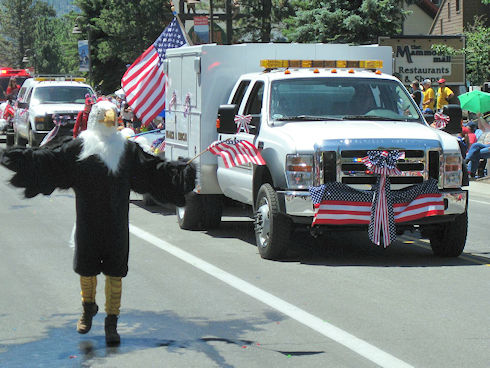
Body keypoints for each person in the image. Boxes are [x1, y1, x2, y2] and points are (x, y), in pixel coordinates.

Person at [0, 100, 196, 345]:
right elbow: (50, 160)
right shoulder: (78, 148)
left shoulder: (128, 151)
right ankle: (87, 308)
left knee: (116, 271)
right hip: (88, 220)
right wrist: (24, 160)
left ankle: (111, 323)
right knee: (86, 266)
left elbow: (153, 171)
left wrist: (178, 172)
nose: (108, 124)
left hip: (116, 223)